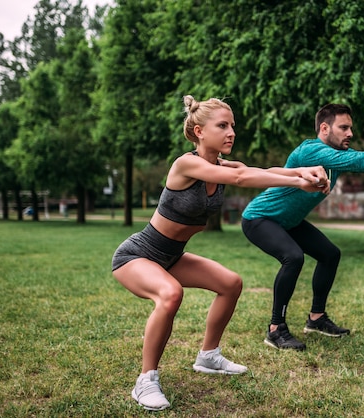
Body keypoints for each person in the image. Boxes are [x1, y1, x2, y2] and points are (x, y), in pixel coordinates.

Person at [111, 95, 329, 411]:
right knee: (170, 294)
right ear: (199, 131)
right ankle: (146, 380)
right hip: (138, 255)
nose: (231, 132)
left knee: (230, 283)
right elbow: (242, 178)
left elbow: (260, 171)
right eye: (222, 126)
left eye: (232, 126)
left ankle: (209, 356)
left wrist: (303, 174)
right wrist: (300, 181)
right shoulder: (186, 164)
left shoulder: (222, 165)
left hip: (171, 256)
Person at [241, 103, 364, 351]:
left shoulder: (334, 160)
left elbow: (356, 161)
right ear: (325, 128)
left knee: (330, 254)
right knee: (293, 257)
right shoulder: (312, 151)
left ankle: (316, 318)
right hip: (260, 217)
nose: (350, 133)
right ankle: (276, 330)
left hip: (289, 222)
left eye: (351, 128)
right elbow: (360, 160)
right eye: (344, 127)